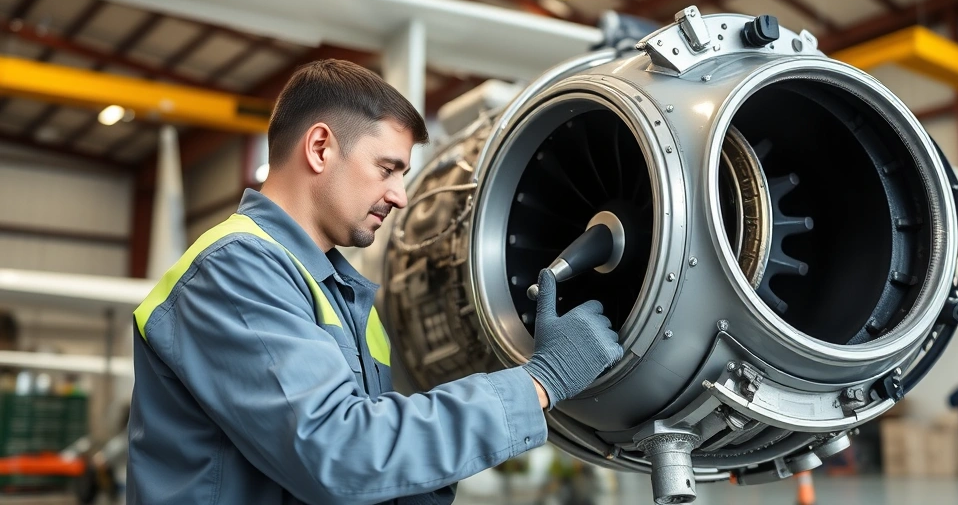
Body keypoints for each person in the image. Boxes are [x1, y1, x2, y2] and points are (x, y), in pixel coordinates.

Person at [126, 59, 623, 505]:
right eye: (388, 169)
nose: (400, 197)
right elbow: (340, 454)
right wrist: (539, 381)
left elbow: (372, 469)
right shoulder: (234, 271)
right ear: (320, 148)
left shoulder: (342, 296)